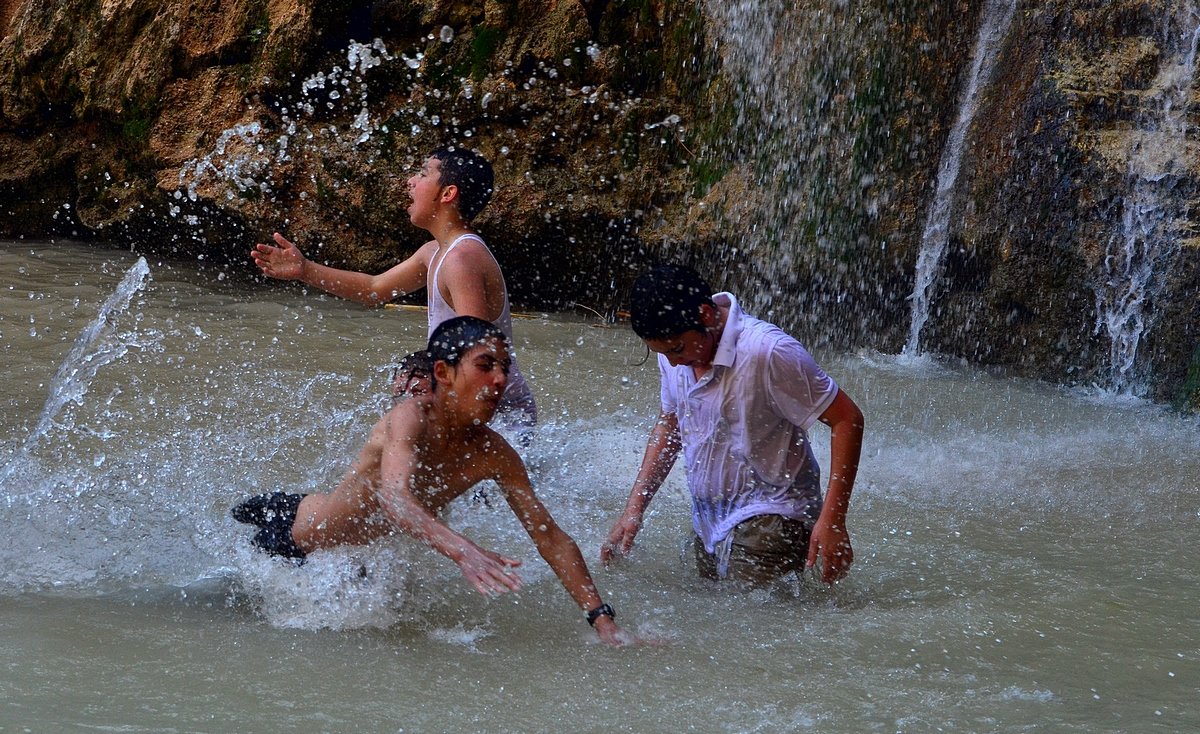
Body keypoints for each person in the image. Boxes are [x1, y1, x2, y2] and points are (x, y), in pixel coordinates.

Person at [232, 316, 624, 644]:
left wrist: (603, 621)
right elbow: (394, 498)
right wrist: (463, 551)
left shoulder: (494, 453)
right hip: (290, 539)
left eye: (505, 367)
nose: (501, 379)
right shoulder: (410, 418)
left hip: (343, 558)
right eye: (485, 365)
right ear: (443, 372)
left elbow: (550, 538)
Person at [601, 264, 865, 588]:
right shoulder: (676, 350)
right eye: (661, 352)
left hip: (775, 516)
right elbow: (670, 427)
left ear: (707, 315)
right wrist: (634, 508)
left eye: (677, 349)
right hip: (711, 519)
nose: (672, 362)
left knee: (753, 632)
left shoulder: (767, 350)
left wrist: (834, 518)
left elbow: (847, 418)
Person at [250, 146, 536, 427]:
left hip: (501, 412)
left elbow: (478, 351)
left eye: (424, 174)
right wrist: (305, 270)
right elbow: (375, 289)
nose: (410, 181)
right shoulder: (433, 252)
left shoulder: (462, 259)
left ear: (448, 194)